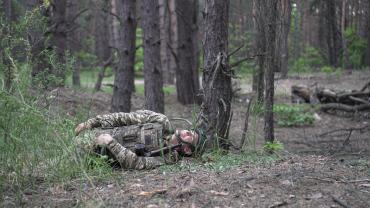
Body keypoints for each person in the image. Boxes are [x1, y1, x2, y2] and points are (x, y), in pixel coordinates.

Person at [74, 110, 201, 170]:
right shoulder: (161, 121)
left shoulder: (168, 158)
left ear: (187, 149)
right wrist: (90, 123)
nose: (187, 131)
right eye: (189, 130)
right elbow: (123, 118)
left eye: (190, 136)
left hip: (92, 158)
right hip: (92, 135)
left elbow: (137, 163)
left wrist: (110, 143)